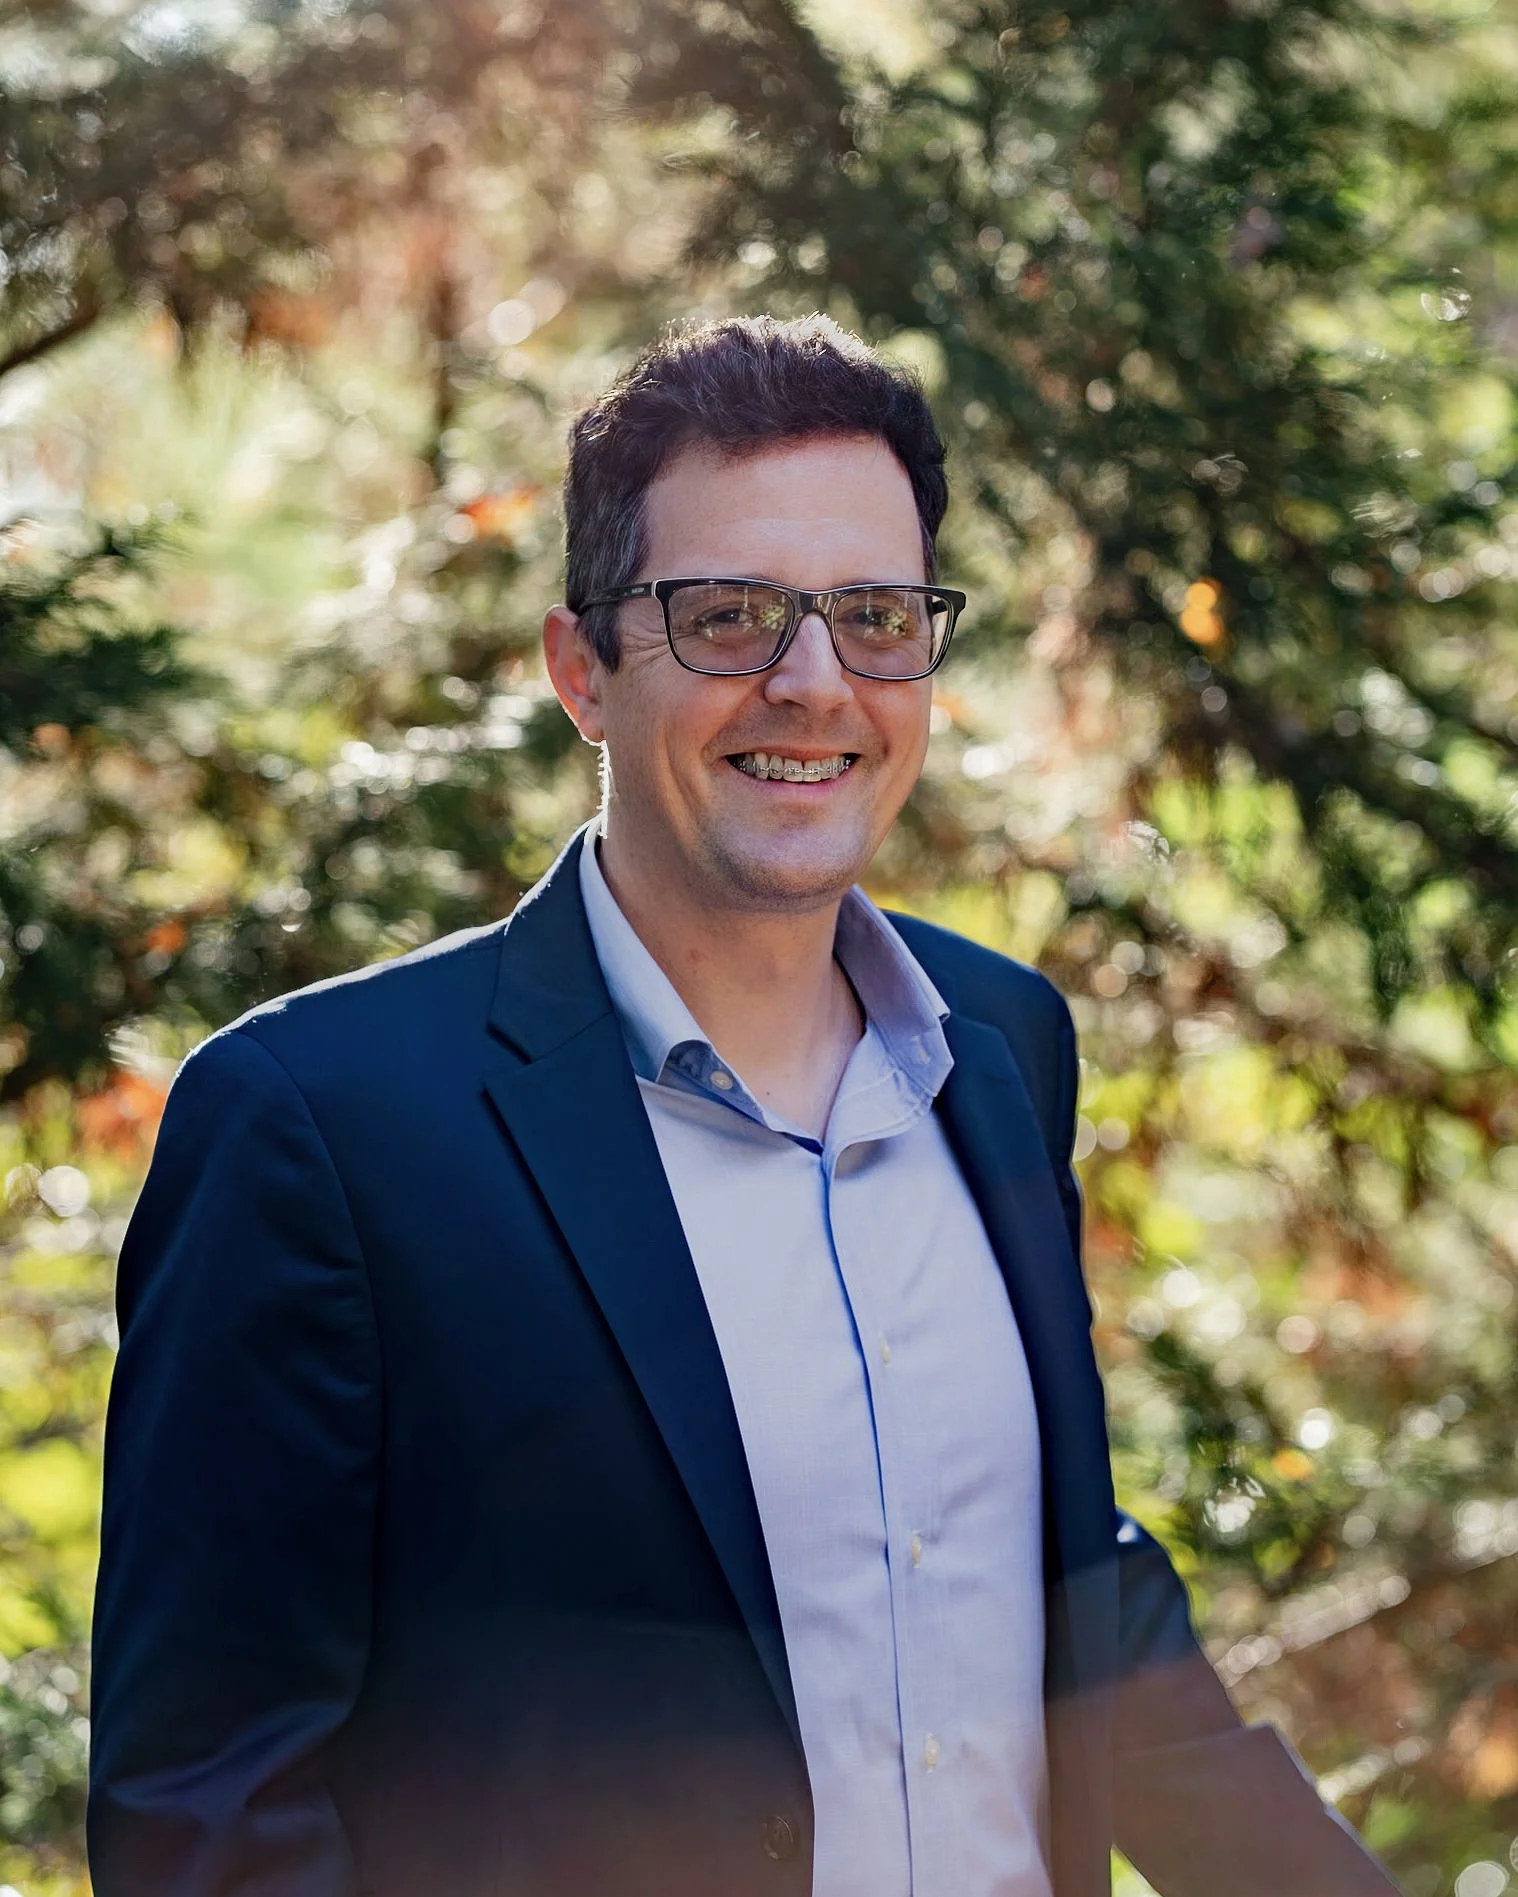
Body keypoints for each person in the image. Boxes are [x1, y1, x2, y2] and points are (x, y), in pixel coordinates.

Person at [88, 314, 1400, 1897]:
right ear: (583, 670)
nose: (811, 684)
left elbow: (1055, 1583)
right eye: (726, 619)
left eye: (873, 617)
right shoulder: (318, 1127)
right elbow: (207, 1807)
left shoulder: (1000, 1046)